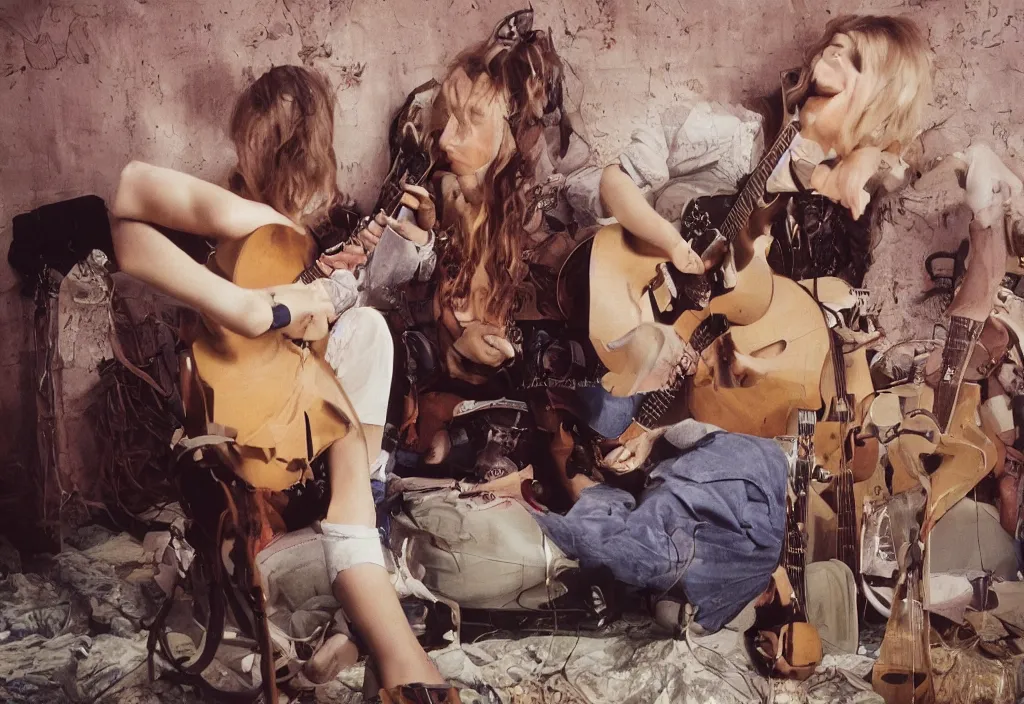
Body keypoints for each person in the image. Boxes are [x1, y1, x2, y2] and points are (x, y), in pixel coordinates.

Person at [109, 65, 459, 703]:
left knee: (368, 331)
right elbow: (130, 190)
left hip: (280, 427)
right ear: (317, 149)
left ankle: (385, 654)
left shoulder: (288, 239)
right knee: (373, 339)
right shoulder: (247, 220)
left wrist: (330, 288)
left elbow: (327, 309)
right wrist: (254, 308)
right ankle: (398, 655)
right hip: (250, 437)